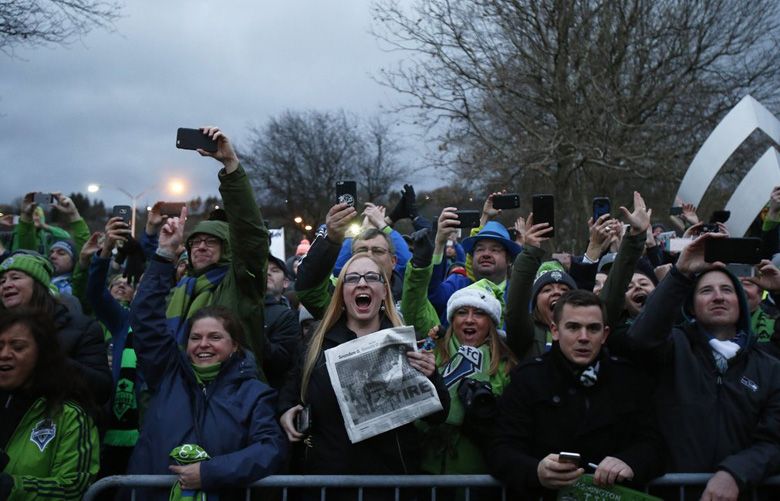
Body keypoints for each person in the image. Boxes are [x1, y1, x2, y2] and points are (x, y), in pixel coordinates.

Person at [125, 212, 287, 500]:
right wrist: (163, 254)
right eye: (195, 337)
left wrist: (210, 473)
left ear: (236, 345)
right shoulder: (168, 375)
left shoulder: (252, 394)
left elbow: (270, 448)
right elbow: (147, 321)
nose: (203, 345)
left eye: (215, 337)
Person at [279, 254, 450, 500]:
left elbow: (439, 414)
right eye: (352, 278)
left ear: (384, 291)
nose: (362, 283)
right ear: (342, 293)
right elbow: (292, 384)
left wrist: (430, 376)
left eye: (372, 277)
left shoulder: (406, 343)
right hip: (328, 484)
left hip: (391, 485)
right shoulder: (316, 342)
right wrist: (285, 409)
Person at [627, 232, 780, 500]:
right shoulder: (673, 349)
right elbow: (641, 338)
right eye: (706, 291)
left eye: (727, 290)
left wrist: (734, 473)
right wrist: (680, 272)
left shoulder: (768, 367)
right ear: (692, 307)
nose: (718, 297)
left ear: (741, 304)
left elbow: (774, 441)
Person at [488, 290, 664, 499]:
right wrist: (536, 471)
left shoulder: (629, 379)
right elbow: (500, 448)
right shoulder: (527, 379)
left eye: (593, 328)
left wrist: (631, 461)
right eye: (573, 327)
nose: (583, 337)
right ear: (555, 330)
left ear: (605, 334)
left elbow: (654, 443)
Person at [161, 127, 270, 371]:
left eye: (211, 242)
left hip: (234, 395)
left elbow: (251, 237)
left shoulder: (241, 284)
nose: (201, 247)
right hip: (180, 390)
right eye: (195, 242)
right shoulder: (177, 291)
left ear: (227, 248)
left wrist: (231, 165)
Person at [0, 308, 100, 500]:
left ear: (42, 354)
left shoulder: (70, 416)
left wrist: (11, 487)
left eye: (18, 347)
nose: (4, 354)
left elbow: (73, 488)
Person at [0, 252, 112, 404]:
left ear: (39, 284)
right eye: (2, 281)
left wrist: (49, 357)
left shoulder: (82, 327)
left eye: (15, 277)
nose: (6, 285)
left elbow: (101, 389)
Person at [295, 201, 410, 318]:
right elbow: (310, 292)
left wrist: (383, 225)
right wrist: (332, 239)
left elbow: (408, 261)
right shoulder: (338, 301)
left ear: (393, 261)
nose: (369, 255)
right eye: (362, 250)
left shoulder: (409, 295)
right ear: (351, 258)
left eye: (378, 251)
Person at [263, 254, 301, 389]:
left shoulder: (291, 315)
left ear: (286, 282)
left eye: (274, 270)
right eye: (264, 269)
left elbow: (283, 361)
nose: (267, 273)